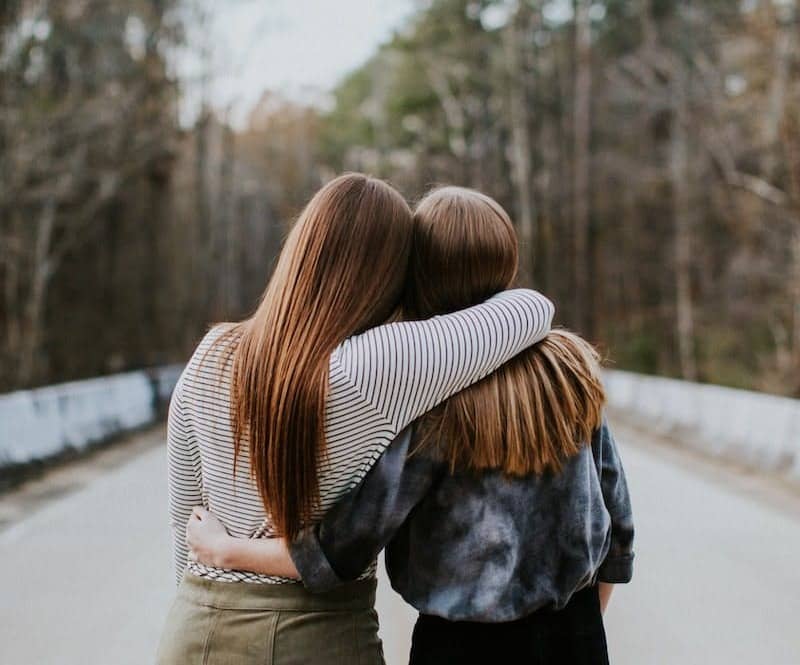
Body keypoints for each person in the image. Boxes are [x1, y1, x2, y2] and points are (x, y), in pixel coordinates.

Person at [186, 186, 634, 665]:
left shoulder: (430, 393)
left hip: (458, 647)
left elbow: (340, 550)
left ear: (417, 273)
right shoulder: (571, 370)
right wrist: (582, 626)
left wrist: (226, 550)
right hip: (576, 634)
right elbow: (619, 524)